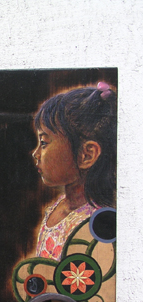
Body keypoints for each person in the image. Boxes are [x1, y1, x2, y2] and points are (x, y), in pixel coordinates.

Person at [31, 82, 117, 260]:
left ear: (87, 155)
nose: (35, 153)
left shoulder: (95, 224)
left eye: (44, 143)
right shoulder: (58, 207)